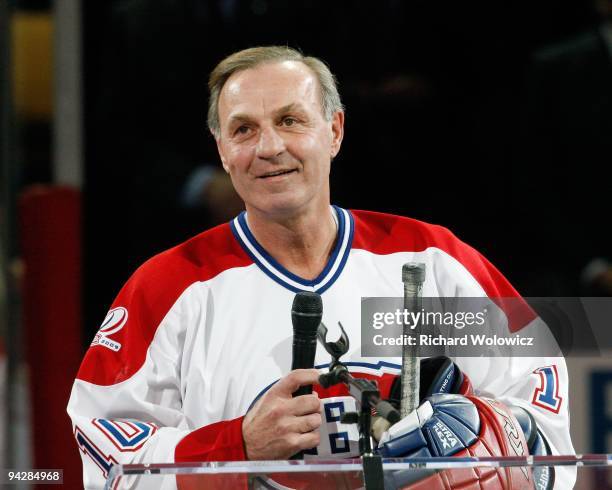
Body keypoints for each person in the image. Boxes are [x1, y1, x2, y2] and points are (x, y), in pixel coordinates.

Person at [68, 46, 574, 489]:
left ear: (334, 131)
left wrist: (484, 432)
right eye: (244, 129)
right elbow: (109, 459)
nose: (269, 148)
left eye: (290, 120)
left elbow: (540, 404)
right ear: (222, 151)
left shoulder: (431, 260)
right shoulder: (166, 287)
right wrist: (236, 446)